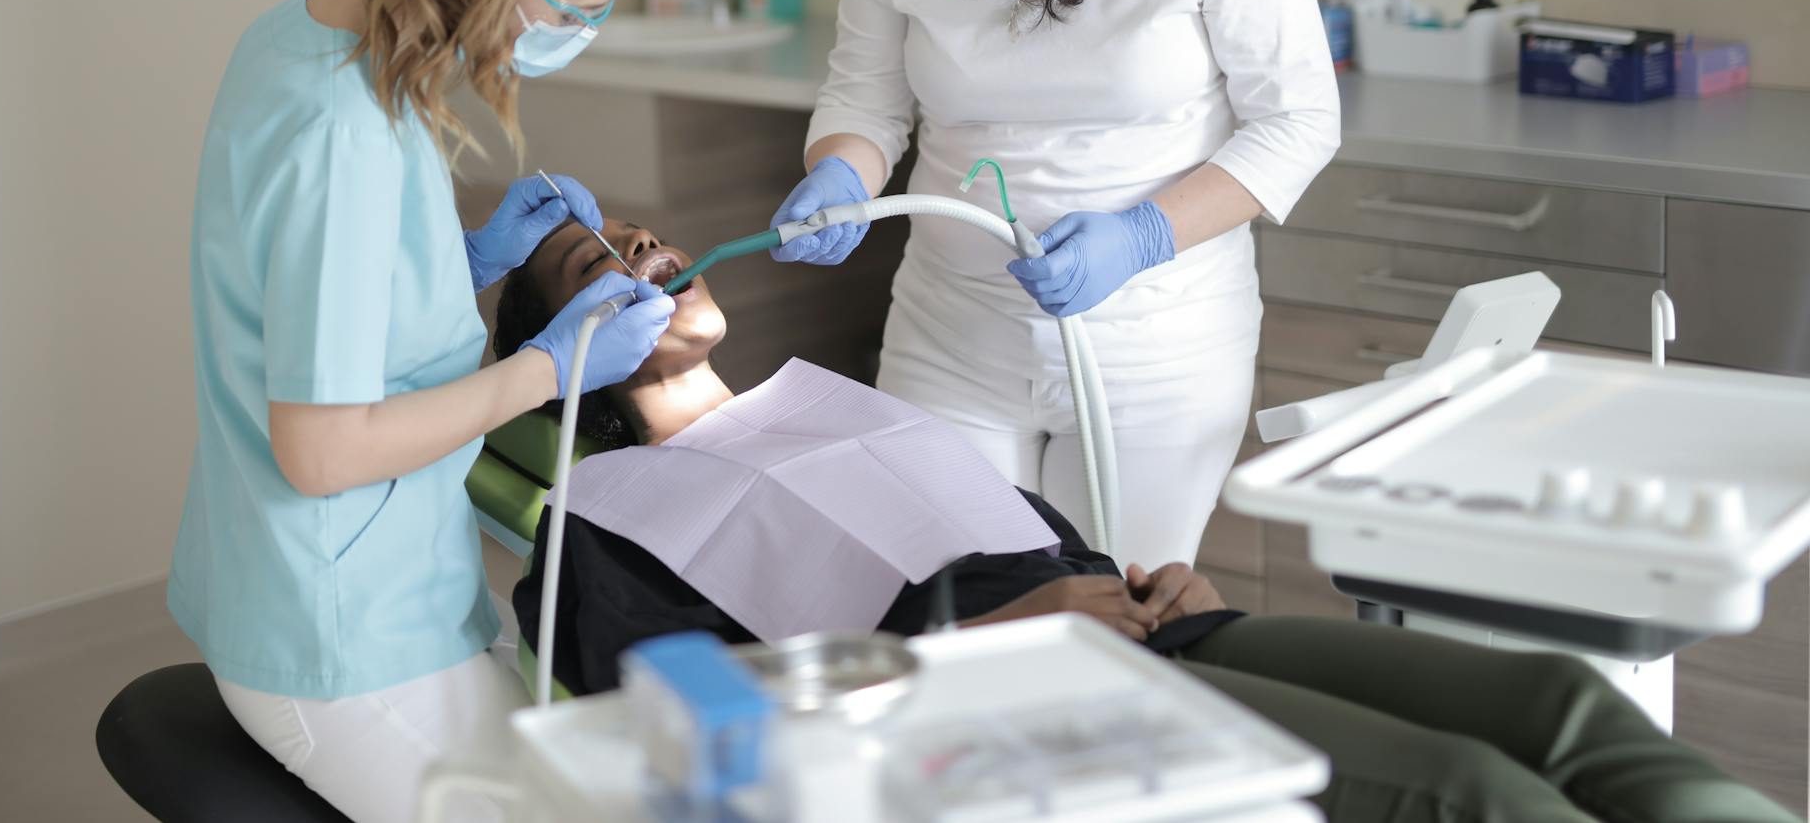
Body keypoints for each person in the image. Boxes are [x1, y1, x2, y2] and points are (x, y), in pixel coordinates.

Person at [494, 219, 1799, 823]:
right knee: (1467, 795)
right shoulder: (591, 530)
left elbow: (1006, 529)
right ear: (547, 352)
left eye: (639, 237)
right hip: (1021, 723)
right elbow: (720, 734)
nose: (639, 250)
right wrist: (997, 635)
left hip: (1155, 630)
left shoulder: (828, 408)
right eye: (588, 266)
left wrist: (1142, 575)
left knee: (1561, 702)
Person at [166, 0, 676, 823]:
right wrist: (550, 366)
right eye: (570, 13)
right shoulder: (342, 133)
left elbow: (310, 293)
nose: (579, 38)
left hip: (381, 583)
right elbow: (322, 448)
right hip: (340, 635)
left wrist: (466, 259)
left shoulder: (308, 37)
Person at [773, 0, 1342, 564]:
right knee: (954, 600)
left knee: (1111, 620)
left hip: (1155, 348)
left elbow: (1299, 121)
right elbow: (866, 97)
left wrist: (1144, 236)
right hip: (950, 334)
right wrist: (840, 170)